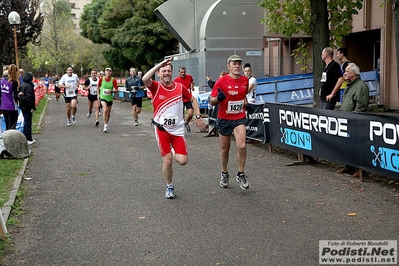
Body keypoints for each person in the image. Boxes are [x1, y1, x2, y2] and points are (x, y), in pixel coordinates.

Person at [142, 57, 206, 199]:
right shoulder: (156, 87)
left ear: (172, 73)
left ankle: (172, 149)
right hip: (162, 129)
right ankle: (169, 186)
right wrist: (161, 63)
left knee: (183, 161)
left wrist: (198, 116)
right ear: (158, 74)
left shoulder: (179, 87)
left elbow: (193, 100)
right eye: (163, 71)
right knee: (168, 160)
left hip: (177, 130)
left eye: (168, 71)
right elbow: (145, 79)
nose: (166, 73)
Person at [209, 54, 250, 190]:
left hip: (239, 118)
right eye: (234, 63)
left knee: (242, 146)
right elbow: (212, 100)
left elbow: (243, 96)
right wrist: (218, 99)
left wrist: (247, 104)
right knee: (225, 148)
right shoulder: (221, 81)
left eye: (239, 63)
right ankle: (224, 172)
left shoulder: (245, 80)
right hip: (224, 118)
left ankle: (241, 173)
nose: (237, 66)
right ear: (228, 66)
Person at [336, 63, 369, 177]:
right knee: (346, 144)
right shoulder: (349, 85)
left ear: (353, 73)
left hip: (354, 122)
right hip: (346, 120)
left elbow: (361, 106)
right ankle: (348, 166)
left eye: (347, 71)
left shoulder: (361, 86)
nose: (344, 73)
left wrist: (354, 119)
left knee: (356, 146)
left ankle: (359, 169)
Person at [174, 66, 195, 133]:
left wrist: (192, 86)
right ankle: (180, 128)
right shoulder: (176, 80)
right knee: (181, 115)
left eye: (184, 72)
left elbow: (192, 82)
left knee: (191, 114)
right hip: (180, 100)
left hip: (188, 98)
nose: (183, 74)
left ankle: (186, 123)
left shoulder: (189, 77)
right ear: (179, 72)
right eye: (181, 72)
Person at [97, 67, 118, 133]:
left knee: (108, 113)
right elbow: (97, 86)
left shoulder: (113, 80)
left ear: (111, 73)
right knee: (105, 110)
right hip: (103, 97)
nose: (108, 72)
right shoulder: (101, 79)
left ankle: (106, 123)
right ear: (105, 72)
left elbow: (116, 90)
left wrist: (111, 91)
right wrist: (98, 94)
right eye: (107, 71)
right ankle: (105, 125)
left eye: (109, 71)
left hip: (109, 98)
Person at [18, 72, 36, 144]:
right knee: (27, 122)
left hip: (23, 105)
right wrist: (32, 107)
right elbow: (29, 97)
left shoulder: (22, 85)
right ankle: (27, 138)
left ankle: (29, 138)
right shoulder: (29, 86)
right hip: (27, 106)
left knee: (26, 121)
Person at [0, 64, 20, 130]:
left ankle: (6, 139)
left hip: (4, 106)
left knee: (7, 125)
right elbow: (15, 95)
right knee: (12, 126)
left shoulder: (2, 82)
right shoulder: (14, 82)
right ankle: (11, 140)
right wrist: (20, 96)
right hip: (12, 106)